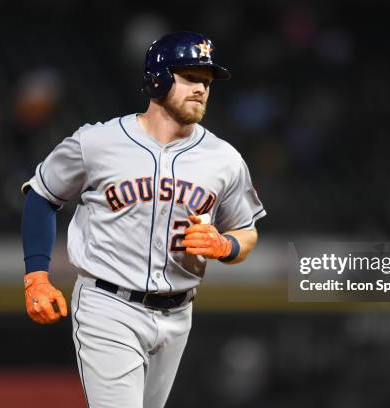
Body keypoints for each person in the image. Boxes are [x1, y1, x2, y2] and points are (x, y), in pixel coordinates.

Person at [21, 31, 266, 408]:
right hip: (109, 305)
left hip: (178, 313)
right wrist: (36, 276)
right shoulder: (97, 143)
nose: (201, 89)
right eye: (190, 77)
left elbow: (246, 232)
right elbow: (42, 193)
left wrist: (226, 245)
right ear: (158, 78)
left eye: (206, 81)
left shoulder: (225, 159)